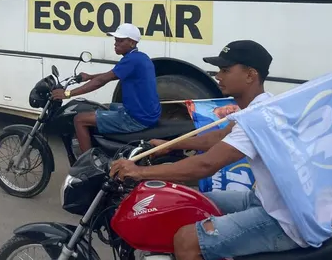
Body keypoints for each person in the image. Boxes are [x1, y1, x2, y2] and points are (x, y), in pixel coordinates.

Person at [110, 40, 304, 260]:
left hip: (283, 219)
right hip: (264, 199)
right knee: (186, 203)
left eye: (225, 70)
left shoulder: (257, 118)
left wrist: (138, 172)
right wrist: (167, 146)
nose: (217, 75)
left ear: (250, 75)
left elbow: (206, 165)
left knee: (187, 239)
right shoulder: (258, 106)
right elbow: (219, 136)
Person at [51, 23, 161, 153]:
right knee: (102, 107)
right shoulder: (140, 57)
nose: (115, 43)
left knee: (79, 119)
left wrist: (68, 93)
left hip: (136, 118)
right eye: (115, 40)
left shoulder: (131, 60)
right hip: (147, 113)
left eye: (120, 41)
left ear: (132, 43)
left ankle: (86, 163)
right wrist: (90, 76)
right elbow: (112, 75)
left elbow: (102, 81)